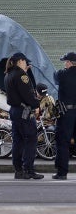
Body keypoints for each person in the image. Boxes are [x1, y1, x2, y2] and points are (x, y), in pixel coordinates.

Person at [4, 52, 44, 180]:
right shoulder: (21, 76)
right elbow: (27, 95)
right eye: (25, 61)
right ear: (20, 61)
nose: (26, 64)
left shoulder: (8, 74)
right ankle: (29, 170)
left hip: (15, 111)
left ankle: (19, 170)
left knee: (18, 141)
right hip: (24, 112)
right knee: (30, 140)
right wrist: (37, 103)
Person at [52, 52, 76, 180]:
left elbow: (55, 75)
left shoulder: (62, 74)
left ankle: (62, 173)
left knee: (63, 142)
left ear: (69, 63)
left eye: (65, 62)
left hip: (66, 114)